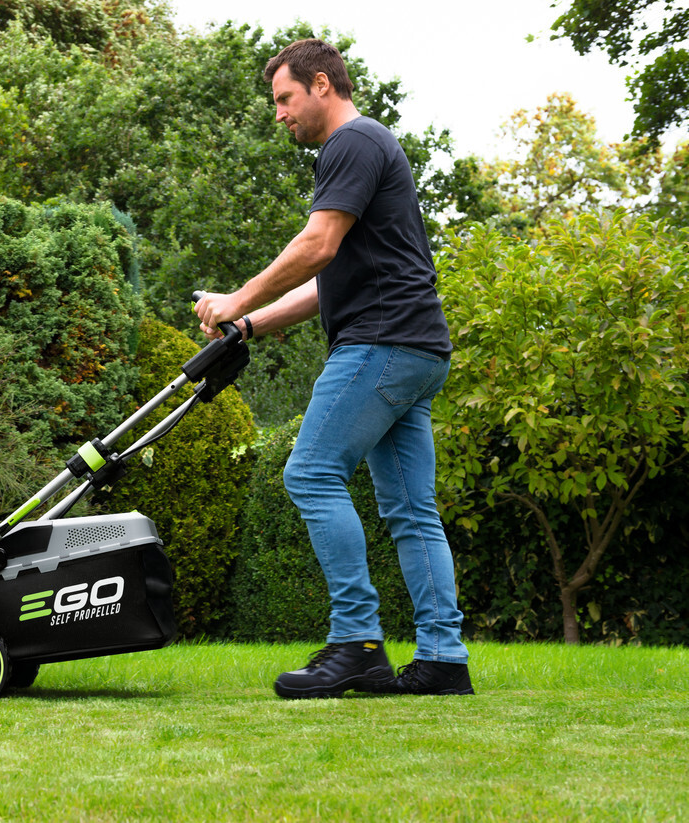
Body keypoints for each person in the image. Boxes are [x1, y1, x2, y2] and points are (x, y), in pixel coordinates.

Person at [194, 39, 473, 699]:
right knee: (411, 510)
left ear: (321, 83)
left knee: (311, 473)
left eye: (284, 98)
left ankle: (357, 643)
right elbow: (330, 280)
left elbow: (316, 245)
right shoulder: (370, 148)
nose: (279, 114)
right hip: (417, 348)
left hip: (380, 343)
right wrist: (249, 325)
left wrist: (237, 298)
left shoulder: (350, 143)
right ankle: (442, 657)